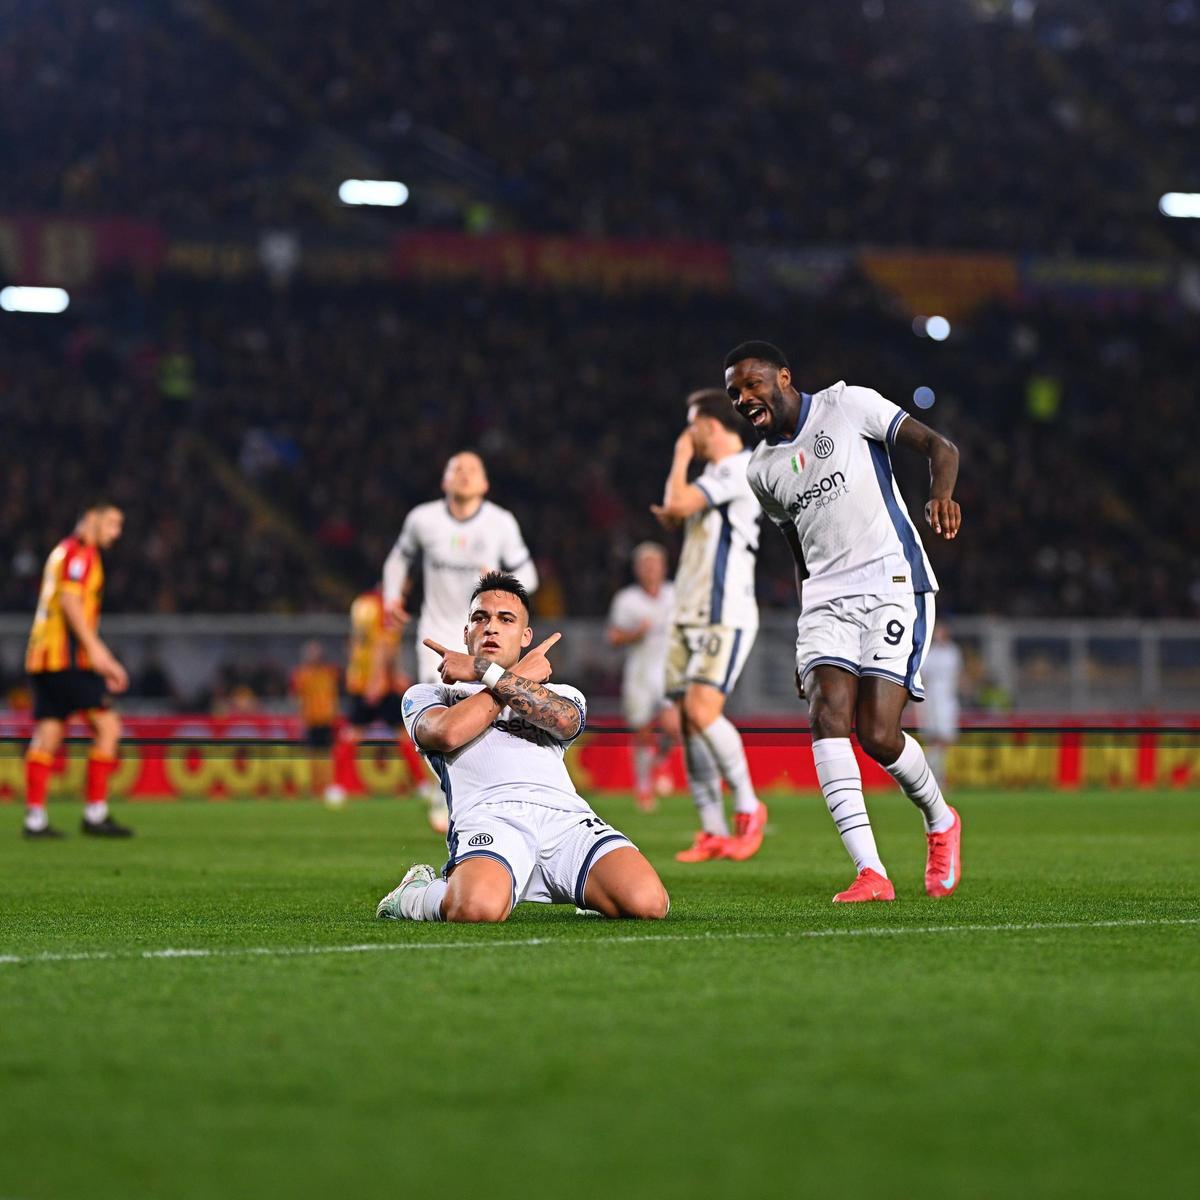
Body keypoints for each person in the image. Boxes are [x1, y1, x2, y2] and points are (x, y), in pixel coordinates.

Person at [725, 340, 963, 902]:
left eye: (752, 384)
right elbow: (798, 553)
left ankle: (940, 819)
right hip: (826, 600)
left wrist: (942, 497)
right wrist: (806, 635)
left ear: (784, 376)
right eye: (735, 392)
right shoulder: (761, 471)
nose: (743, 398)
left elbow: (939, 446)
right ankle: (871, 872)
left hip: (891, 583)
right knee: (826, 713)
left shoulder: (847, 405)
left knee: (878, 735)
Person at [376, 571, 669, 923]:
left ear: (526, 636)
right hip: (490, 817)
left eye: (506, 619)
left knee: (649, 903)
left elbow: (564, 720)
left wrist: (483, 670)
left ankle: (587, 886)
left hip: (565, 820)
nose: (491, 627)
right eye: (479, 618)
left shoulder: (562, 692)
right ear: (465, 632)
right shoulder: (430, 694)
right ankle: (414, 894)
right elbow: (446, 734)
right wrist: (505, 676)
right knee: (476, 909)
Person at [381, 451, 538, 832]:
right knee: (440, 716)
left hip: (487, 636)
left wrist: (502, 580)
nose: (465, 474)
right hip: (436, 635)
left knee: (487, 710)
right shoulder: (423, 519)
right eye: (457, 468)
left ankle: (486, 790)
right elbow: (396, 561)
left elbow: (529, 577)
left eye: (473, 469)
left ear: (484, 483)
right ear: (444, 480)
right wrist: (391, 597)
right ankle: (443, 791)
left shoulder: (500, 522)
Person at [650, 390, 767, 864]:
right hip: (687, 609)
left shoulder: (736, 466)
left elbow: (675, 503)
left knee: (701, 711)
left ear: (710, 426)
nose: (687, 434)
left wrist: (679, 457)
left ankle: (747, 805)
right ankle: (712, 829)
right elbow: (677, 511)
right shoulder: (713, 477)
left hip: (725, 611)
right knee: (685, 721)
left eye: (691, 424)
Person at [22, 500, 131, 838]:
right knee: (109, 728)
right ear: (92, 519)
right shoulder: (80, 553)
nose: (117, 532)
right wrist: (100, 654)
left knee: (49, 734)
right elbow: (70, 603)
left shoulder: (62, 551)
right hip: (66, 659)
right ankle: (95, 814)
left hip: (43, 657)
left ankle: (35, 819)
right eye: (112, 523)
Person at [326, 585, 427, 815]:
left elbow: (354, 643)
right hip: (379, 684)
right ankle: (422, 786)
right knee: (402, 735)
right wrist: (383, 677)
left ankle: (338, 788)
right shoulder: (386, 606)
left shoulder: (361, 603)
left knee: (351, 735)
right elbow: (385, 644)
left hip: (360, 680)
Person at [606, 542, 679, 810]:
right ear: (637, 569)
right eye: (645, 565)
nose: (650, 569)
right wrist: (635, 633)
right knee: (642, 730)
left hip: (670, 669)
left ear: (663, 567)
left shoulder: (676, 595)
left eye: (655, 564)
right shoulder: (627, 600)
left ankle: (660, 760)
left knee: (673, 726)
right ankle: (644, 786)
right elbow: (613, 637)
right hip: (639, 671)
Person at [291, 640, 340, 800]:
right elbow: (299, 698)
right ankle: (315, 787)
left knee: (327, 754)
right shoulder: (302, 675)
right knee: (313, 754)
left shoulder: (329, 673)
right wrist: (301, 718)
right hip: (311, 719)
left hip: (326, 719)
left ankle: (327, 785)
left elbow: (333, 696)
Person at [916, 624, 963, 784]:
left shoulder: (953, 652)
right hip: (931, 699)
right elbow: (923, 675)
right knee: (933, 739)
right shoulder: (930, 653)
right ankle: (929, 776)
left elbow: (957, 675)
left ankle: (932, 775)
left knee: (945, 739)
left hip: (947, 700)